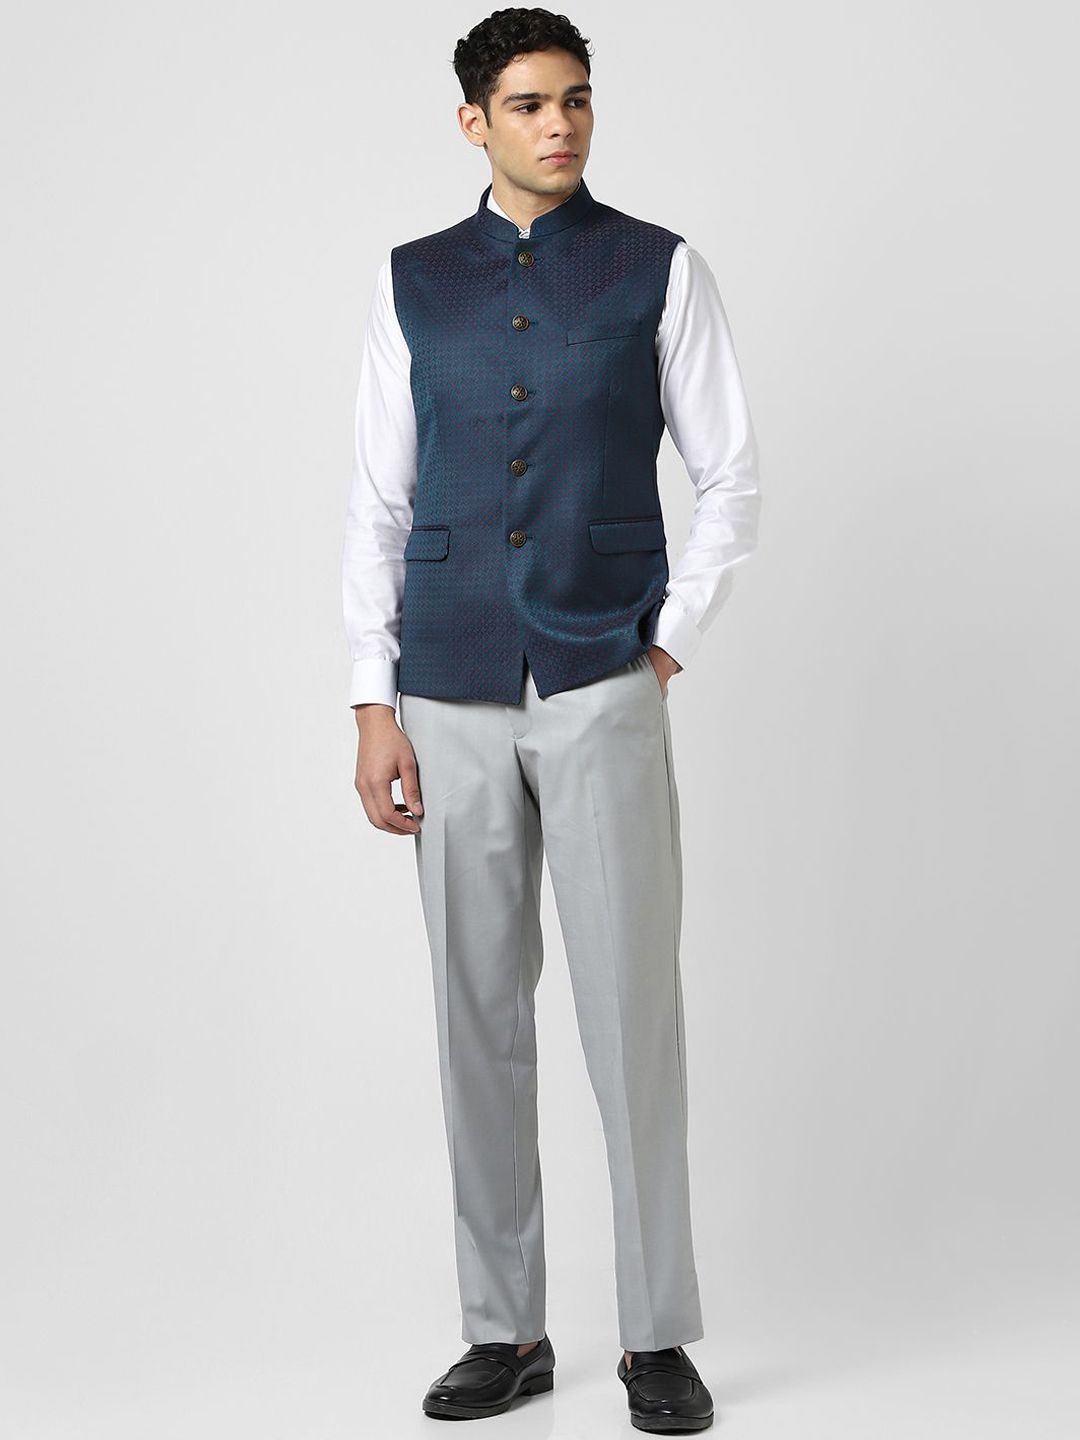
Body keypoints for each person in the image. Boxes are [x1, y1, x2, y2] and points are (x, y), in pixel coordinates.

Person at [341, 8, 760, 1430]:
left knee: (633, 1015)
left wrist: (665, 646)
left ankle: (656, 1339)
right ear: (476, 122)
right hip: (448, 685)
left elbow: (734, 479)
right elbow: (379, 504)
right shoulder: (412, 282)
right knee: (476, 1018)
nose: (560, 124)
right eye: (528, 104)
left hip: (600, 682)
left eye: (575, 98)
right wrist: (372, 700)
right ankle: (504, 1329)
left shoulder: (658, 268)